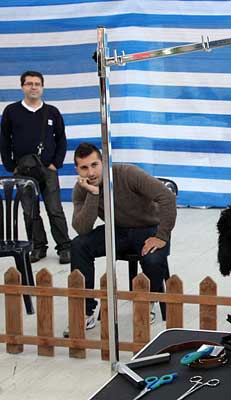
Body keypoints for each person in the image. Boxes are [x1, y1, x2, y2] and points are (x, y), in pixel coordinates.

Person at [66, 142, 176, 335]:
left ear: (104, 162)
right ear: (77, 169)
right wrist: (93, 194)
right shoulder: (81, 188)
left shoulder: (127, 173)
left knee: (153, 258)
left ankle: (147, 302)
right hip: (117, 230)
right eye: (84, 167)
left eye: (94, 165)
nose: (90, 172)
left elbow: (166, 197)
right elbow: (82, 229)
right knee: (78, 245)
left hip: (148, 228)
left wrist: (161, 236)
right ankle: (85, 311)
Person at [0, 71, 71, 263]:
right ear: (22, 86)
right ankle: (37, 247)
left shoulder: (52, 112)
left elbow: (62, 139)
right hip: (22, 171)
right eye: (29, 83)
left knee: (55, 209)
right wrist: (10, 166)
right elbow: (4, 141)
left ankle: (65, 247)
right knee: (29, 211)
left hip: (48, 170)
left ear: (42, 87)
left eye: (37, 84)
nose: (33, 87)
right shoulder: (11, 111)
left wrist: (55, 164)